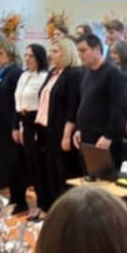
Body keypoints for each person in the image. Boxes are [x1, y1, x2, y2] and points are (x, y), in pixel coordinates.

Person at [71, 32, 127, 169]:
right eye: (78, 51)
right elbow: (83, 103)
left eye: (83, 50)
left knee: (103, 179)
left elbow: (119, 109)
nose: (80, 54)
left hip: (103, 139)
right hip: (86, 136)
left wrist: (109, 136)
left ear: (97, 48)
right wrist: (79, 128)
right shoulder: (86, 72)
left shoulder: (112, 73)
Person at [36, 35, 81, 208]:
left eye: (55, 51)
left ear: (67, 53)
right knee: (50, 171)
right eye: (51, 51)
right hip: (46, 128)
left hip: (61, 130)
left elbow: (72, 107)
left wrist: (66, 135)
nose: (51, 55)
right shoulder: (53, 73)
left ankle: (66, 211)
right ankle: (52, 208)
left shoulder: (73, 74)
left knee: (63, 172)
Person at [0, 38, 26, 213]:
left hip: (10, 122)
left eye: (0, 51)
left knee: (14, 162)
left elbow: (16, 100)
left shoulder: (16, 72)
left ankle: (19, 200)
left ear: (9, 52)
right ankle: (12, 196)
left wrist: (15, 124)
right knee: (4, 162)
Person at [14, 43, 52, 215]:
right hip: (24, 120)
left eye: (31, 56)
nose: (27, 59)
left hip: (37, 121)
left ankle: (44, 205)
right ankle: (37, 203)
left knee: (39, 165)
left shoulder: (44, 76)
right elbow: (17, 100)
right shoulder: (24, 75)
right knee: (29, 165)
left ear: (39, 58)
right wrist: (17, 125)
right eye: (26, 55)